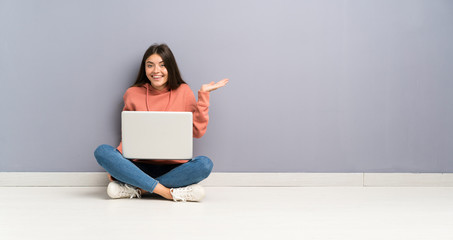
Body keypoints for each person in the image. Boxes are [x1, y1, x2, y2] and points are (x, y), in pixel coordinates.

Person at [94, 43, 228, 202]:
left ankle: (140, 190)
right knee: (102, 151)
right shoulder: (132, 94)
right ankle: (168, 192)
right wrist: (117, 164)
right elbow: (129, 135)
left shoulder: (183, 91)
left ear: (170, 68)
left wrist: (204, 96)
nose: (156, 71)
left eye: (162, 65)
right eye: (150, 65)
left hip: (175, 168)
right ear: (144, 69)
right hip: (140, 166)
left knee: (205, 164)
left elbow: (197, 132)